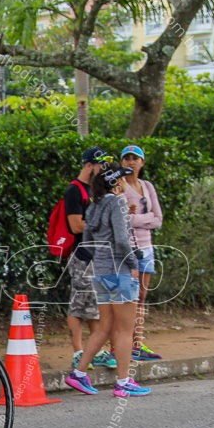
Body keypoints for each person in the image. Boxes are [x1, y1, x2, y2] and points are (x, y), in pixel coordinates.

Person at [65, 162, 151, 398]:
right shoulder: (117, 203)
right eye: (123, 178)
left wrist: (102, 261)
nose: (126, 181)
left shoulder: (94, 206)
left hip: (101, 273)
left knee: (104, 327)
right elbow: (122, 241)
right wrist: (133, 264)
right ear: (116, 182)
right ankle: (123, 382)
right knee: (125, 330)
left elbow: (88, 238)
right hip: (120, 272)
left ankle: (79, 373)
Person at [67, 147, 116, 371]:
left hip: (98, 257)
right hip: (82, 256)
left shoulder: (95, 189)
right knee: (78, 306)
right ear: (89, 165)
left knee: (96, 306)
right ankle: (78, 352)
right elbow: (75, 225)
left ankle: (96, 351)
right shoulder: (75, 191)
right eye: (100, 165)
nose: (103, 169)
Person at [120, 145, 164, 360]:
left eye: (135, 158)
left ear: (142, 163)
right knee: (128, 297)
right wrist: (143, 220)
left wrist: (138, 220)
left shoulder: (147, 187)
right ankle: (123, 343)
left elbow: (158, 219)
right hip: (128, 249)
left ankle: (138, 342)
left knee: (142, 296)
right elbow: (122, 220)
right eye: (127, 158)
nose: (131, 162)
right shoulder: (119, 187)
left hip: (146, 247)